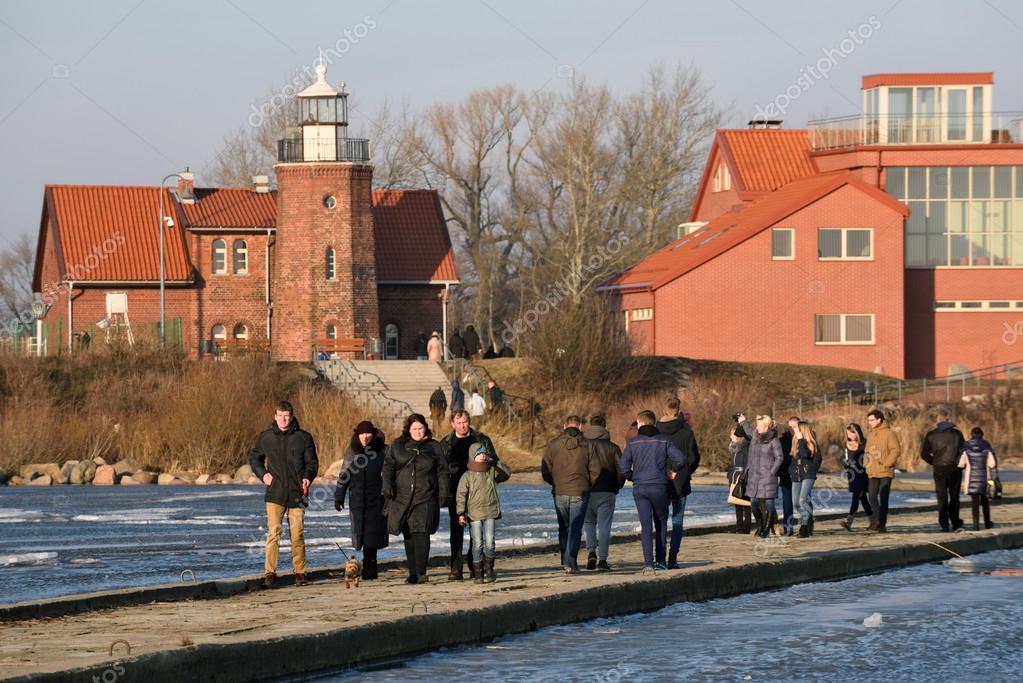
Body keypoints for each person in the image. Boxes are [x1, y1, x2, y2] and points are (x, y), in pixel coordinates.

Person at [249, 400, 319, 588]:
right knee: (274, 534)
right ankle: (270, 574)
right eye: (279, 416)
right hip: (275, 494)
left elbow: (312, 463)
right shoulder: (266, 437)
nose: (283, 419)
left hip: (298, 494)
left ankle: (300, 573)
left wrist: (307, 478)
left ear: (292, 416)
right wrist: (263, 475)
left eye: (286, 416)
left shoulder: (304, 437)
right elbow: (255, 459)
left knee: (297, 535)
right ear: (275, 416)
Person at [382, 414, 449, 584]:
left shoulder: (434, 446)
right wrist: (387, 485)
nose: (418, 432)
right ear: (408, 430)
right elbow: (388, 466)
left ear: (425, 428)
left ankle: (421, 572)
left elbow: (442, 470)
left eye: (420, 428)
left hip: (425, 496)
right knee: (408, 534)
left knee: (421, 532)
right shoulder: (398, 445)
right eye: (414, 429)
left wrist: (444, 492)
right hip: (402, 497)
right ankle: (412, 572)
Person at [619, 410, 686, 572]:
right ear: (654, 423)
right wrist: (673, 471)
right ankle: (661, 561)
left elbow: (623, 467)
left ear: (639, 423)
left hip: (640, 488)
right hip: (660, 486)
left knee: (646, 525)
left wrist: (632, 477)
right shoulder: (664, 440)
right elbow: (681, 459)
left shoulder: (633, 442)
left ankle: (648, 564)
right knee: (661, 523)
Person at [439, 410, 499, 580]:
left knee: (477, 532)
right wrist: (449, 469)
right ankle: (456, 568)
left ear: (469, 421)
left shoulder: (481, 439)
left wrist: (484, 462)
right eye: (458, 423)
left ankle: (475, 565)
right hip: (455, 491)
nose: (462, 425)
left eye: (465, 422)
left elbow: (494, 461)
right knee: (456, 531)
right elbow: (440, 467)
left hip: (478, 492)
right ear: (452, 424)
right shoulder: (446, 443)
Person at [542, 415, 600, 574]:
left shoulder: (553, 445)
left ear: (564, 426)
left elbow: (545, 469)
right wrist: (588, 484)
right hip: (580, 491)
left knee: (564, 526)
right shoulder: (588, 445)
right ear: (580, 427)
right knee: (575, 527)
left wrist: (554, 482)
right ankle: (571, 562)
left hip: (559, 491)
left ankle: (565, 560)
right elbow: (596, 470)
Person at [334, 421, 388, 580]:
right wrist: (339, 495)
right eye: (362, 434)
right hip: (357, 499)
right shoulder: (352, 451)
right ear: (358, 435)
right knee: (361, 533)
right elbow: (345, 475)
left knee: (372, 535)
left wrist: (389, 491)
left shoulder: (383, 450)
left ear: (373, 434)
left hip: (376, 498)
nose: (365, 437)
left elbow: (389, 473)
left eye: (368, 434)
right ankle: (366, 566)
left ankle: (370, 567)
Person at [456, 441, 511, 583]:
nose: (482, 456)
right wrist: (461, 513)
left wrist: (495, 462)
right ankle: (478, 572)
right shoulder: (467, 475)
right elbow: (461, 494)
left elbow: (506, 474)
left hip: (490, 511)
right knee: (477, 543)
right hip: (474, 514)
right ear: (472, 455)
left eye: (483, 453)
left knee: (490, 542)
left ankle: (490, 569)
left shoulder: (490, 470)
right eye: (479, 453)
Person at [656, 398, 700, 568]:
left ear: (664, 410)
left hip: (659, 479)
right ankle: (672, 558)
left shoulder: (656, 432)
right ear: (679, 411)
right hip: (680, 480)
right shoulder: (686, 432)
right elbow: (694, 457)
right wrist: (684, 472)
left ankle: (660, 558)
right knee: (677, 521)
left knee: (660, 520)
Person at [582, 414, 623, 572]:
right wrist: (616, 487)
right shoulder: (613, 448)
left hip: (586, 489)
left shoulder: (583, 445)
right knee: (604, 526)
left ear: (590, 426)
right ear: (605, 427)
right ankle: (603, 560)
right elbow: (621, 470)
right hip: (607, 491)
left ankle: (591, 552)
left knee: (589, 523)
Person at [921, 407, 966, 532]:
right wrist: (960, 464)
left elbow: (924, 454)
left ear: (937, 421)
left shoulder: (931, 435)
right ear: (949, 420)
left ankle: (944, 524)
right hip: (955, 469)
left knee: (942, 497)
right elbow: (964, 452)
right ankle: (956, 522)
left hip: (939, 469)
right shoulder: (957, 434)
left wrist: (934, 462)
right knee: (954, 497)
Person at [741, 414, 783, 539]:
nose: (757, 427)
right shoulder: (754, 439)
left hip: (768, 476)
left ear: (767, 426)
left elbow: (779, 457)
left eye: (760, 425)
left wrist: (772, 471)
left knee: (769, 503)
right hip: (754, 475)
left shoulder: (774, 440)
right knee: (753, 502)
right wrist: (747, 470)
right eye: (757, 425)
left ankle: (766, 529)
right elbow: (748, 432)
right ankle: (760, 525)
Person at [864, 409, 900, 533]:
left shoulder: (889, 433)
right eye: (868, 420)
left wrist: (886, 464)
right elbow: (867, 452)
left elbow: (895, 450)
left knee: (884, 498)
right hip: (872, 471)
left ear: (879, 420)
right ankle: (876, 521)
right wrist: (866, 465)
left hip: (885, 471)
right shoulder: (870, 435)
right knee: (872, 497)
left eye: (872, 420)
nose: (870, 422)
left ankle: (881, 524)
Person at [959, 427, 997, 531]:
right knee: (985, 503)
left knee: (975, 504)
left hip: (971, 480)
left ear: (971, 435)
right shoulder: (986, 446)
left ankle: (976, 526)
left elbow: (961, 464)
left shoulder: (966, 447)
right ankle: (987, 524)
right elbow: (992, 464)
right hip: (985, 479)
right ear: (982, 434)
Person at [839, 423, 872, 531]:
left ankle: (849, 521)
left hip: (862, 474)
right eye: (848, 434)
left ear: (857, 433)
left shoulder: (864, 443)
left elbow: (869, 458)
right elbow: (843, 458)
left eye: (851, 434)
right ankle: (874, 520)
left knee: (856, 497)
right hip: (852, 475)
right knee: (863, 499)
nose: (849, 436)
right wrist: (845, 463)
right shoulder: (846, 445)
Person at [728, 425, 752, 534]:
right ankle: (738, 525)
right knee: (736, 501)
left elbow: (748, 463)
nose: (730, 436)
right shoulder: (733, 447)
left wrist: (743, 476)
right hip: (733, 476)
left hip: (743, 476)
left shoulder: (745, 447)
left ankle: (746, 527)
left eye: (732, 434)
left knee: (745, 502)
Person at [777, 417, 797, 536]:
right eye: (790, 426)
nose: (792, 428)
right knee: (787, 503)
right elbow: (778, 458)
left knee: (802, 501)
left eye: (794, 426)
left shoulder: (804, 439)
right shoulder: (782, 440)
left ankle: (807, 524)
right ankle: (787, 527)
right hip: (785, 475)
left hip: (801, 475)